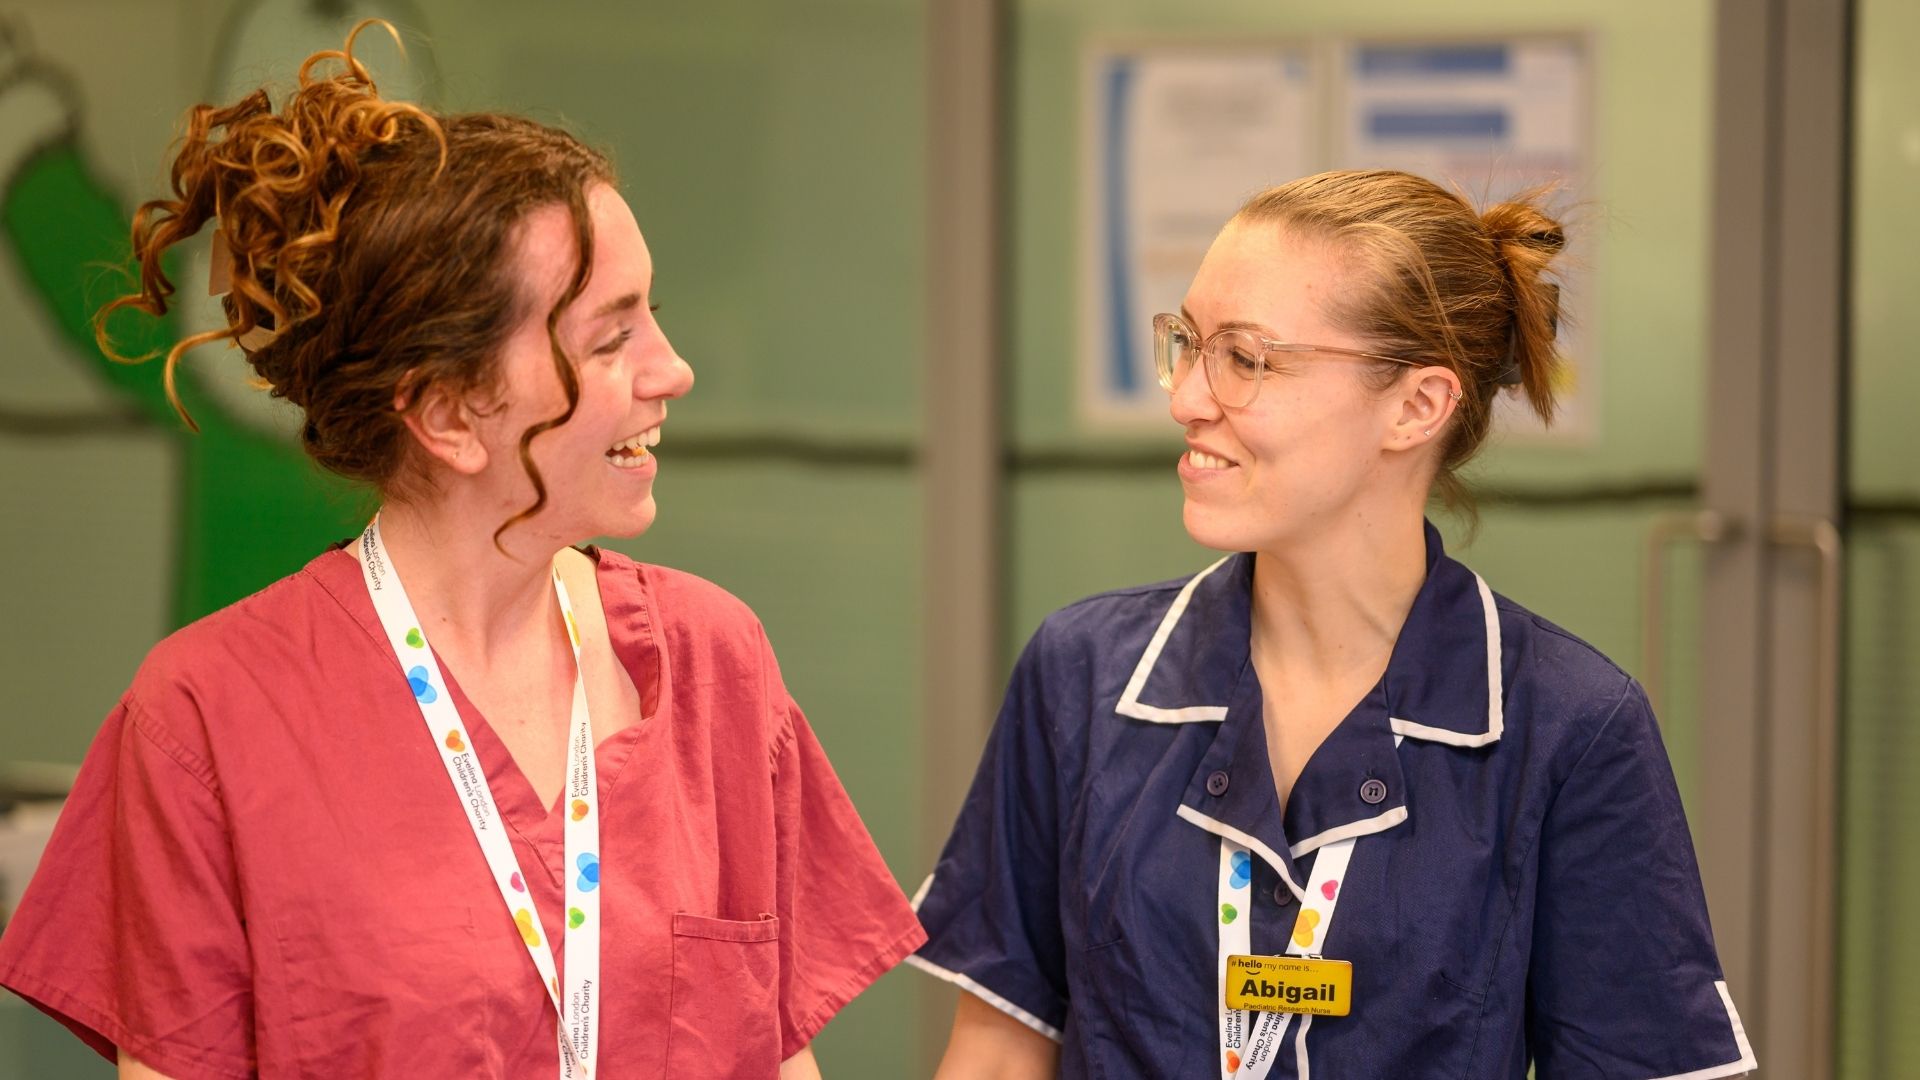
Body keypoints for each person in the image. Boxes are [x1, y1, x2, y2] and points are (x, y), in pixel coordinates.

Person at [0, 23, 924, 1079]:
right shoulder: (207, 720)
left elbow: (771, 1059)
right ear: (449, 413)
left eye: (651, 317)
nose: (672, 372)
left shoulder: (710, 664)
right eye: (610, 337)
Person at [910, 170, 1755, 1079]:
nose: (1186, 398)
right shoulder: (1082, 677)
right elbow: (1000, 1049)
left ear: (1417, 405)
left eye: (1246, 358)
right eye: (1188, 343)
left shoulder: (1570, 729)